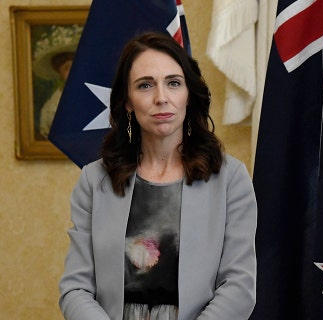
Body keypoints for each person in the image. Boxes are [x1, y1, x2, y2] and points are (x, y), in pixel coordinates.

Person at [58, 32, 257, 320]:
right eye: (145, 85)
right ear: (127, 101)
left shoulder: (230, 178)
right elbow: (75, 288)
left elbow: (239, 286)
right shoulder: (94, 180)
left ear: (189, 94)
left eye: (173, 83)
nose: (161, 98)